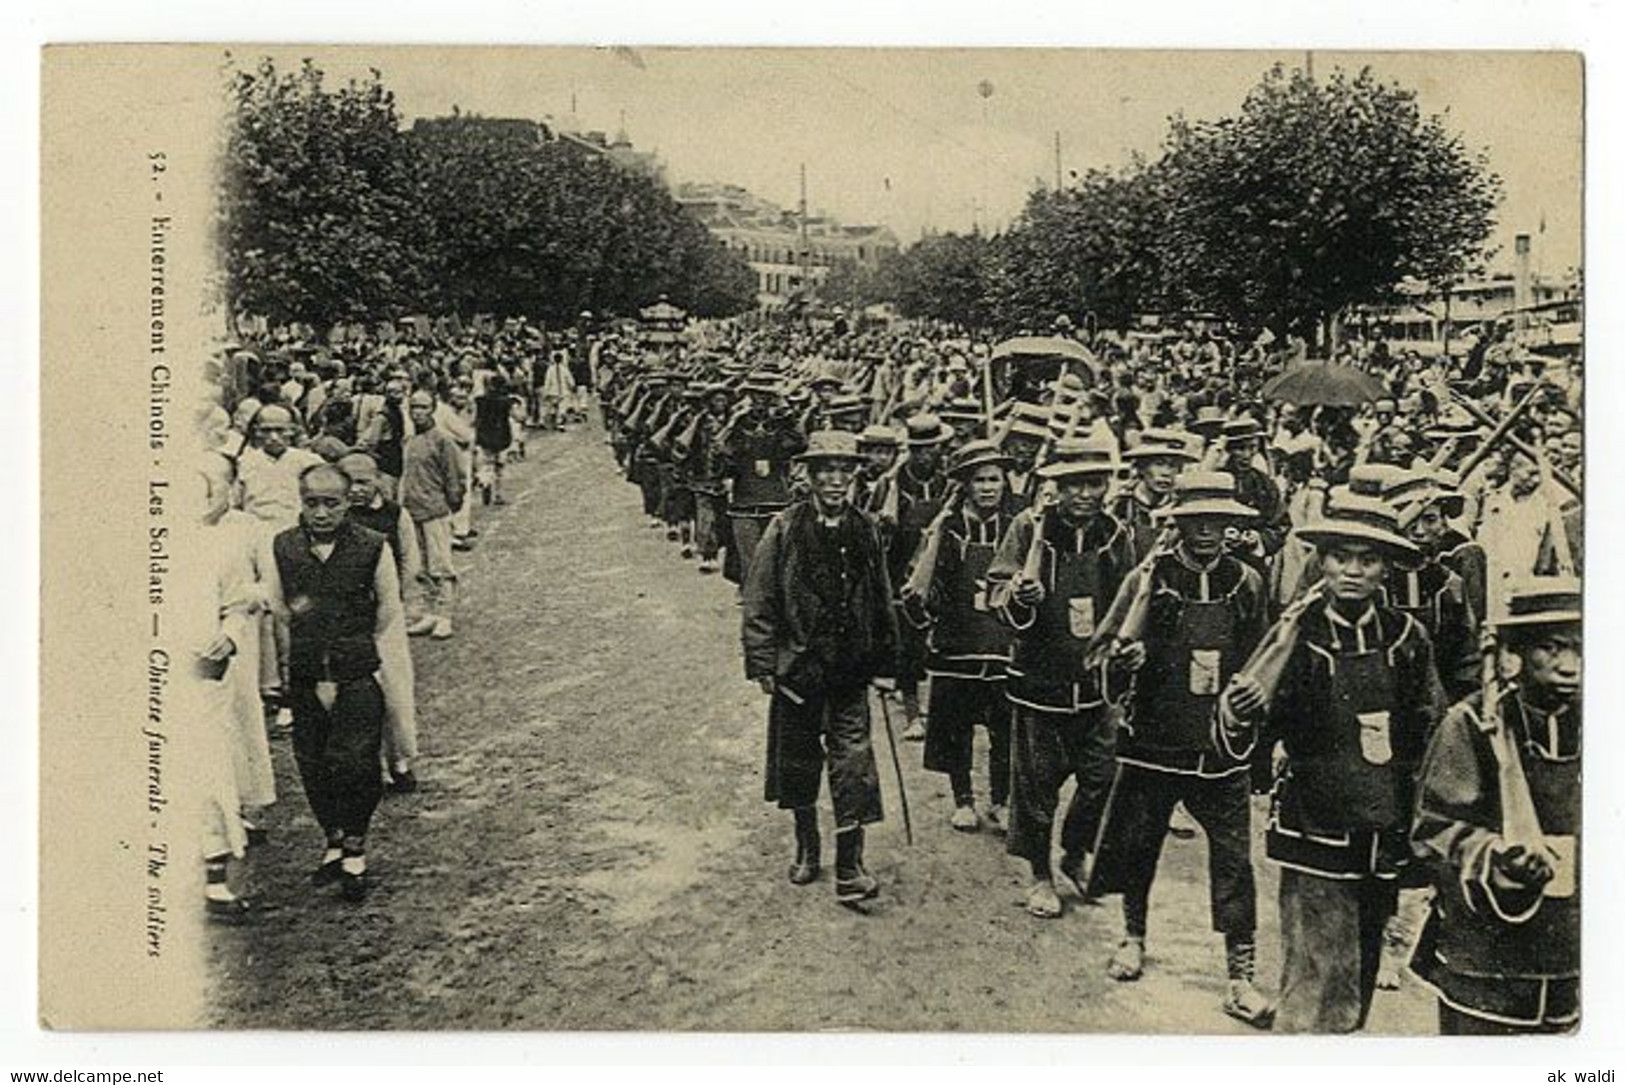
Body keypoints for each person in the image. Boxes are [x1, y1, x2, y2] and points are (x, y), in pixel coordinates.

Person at [1221, 491, 1446, 1033]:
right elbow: (1243, 726)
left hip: (1382, 824)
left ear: (1385, 568)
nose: (1353, 570)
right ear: (1321, 562)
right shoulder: (1297, 634)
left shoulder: (1406, 637)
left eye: (1367, 559)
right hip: (1315, 822)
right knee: (1317, 963)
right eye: (1341, 557)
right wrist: (1243, 712)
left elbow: (1431, 724)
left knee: (1361, 965)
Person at [1087, 472, 1273, 1026]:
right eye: (1197, 523)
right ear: (1178, 525)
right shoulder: (1150, 580)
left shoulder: (1247, 583)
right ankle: (1133, 935)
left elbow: (1262, 661)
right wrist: (1125, 665)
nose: (1208, 533)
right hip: (1155, 742)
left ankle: (1240, 975)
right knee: (1138, 844)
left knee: (1236, 863)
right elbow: (1103, 655)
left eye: (1219, 523)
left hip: (1221, 749)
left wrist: (1254, 731)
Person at [1409, 577, 1580, 1034]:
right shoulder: (1470, 725)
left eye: (1582, 649)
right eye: (1552, 647)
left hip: (1571, 952)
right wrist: (1494, 856)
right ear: (1514, 655)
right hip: (1487, 958)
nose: (1570, 666)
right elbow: (1434, 830)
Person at [742, 430, 900, 905]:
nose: (834, 480)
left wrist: (888, 661)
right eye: (825, 471)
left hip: (849, 670)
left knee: (854, 764)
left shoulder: (867, 528)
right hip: (799, 670)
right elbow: (760, 598)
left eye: (843, 471)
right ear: (809, 477)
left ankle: (850, 865)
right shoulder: (784, 528)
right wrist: (764, 661)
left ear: (855, 476)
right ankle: (808, 846)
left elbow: (881, 598)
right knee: (798, 761)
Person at [987, 436, 1136, 919]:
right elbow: (997, 593)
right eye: (1074, 485)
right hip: (1040, 681)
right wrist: (1017, 596)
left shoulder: (1116, 535)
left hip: (1096, 687)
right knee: (1036, 787)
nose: (1085, 495)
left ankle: (1076, 852)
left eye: (1094, 483)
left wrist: (1125, 652)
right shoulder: (1028, 529)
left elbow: (1130, 602)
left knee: (1103, 779)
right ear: (1056, 486)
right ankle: (1040, 875)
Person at [267, 463, 406, 902]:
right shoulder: (285, 546)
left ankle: (355, 848)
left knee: (357, 761)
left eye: (331, 503)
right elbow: (281, 606)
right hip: (307, 671)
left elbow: (387, 607)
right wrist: (309, 630)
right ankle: (332, 838)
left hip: (355, 670)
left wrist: (351, 640)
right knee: (312, 760)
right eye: (312, 503)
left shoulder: (370, 546)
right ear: (300, 502)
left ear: (348, 503)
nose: (322, 513)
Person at [899, 440, 1015, 833]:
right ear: (965, 484)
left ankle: (1001, 800)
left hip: (1005, 642)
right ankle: (963, 799)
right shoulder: (946, 527)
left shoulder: (1020, 525)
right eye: (979, 480)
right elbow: (923, 586)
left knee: (1005, 729)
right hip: (958, 639)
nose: (987, 488)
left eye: (994, 479)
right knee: (956, 726)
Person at [338, 451, 422, 792]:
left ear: (377, 480)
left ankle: (400, 759)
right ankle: (368, 768)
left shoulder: (394, 515)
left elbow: (409, 561)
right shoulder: (333, 517)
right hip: (346, 621)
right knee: (356, 696)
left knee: (394, 692)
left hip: (386, 616)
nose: (356, 490)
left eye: (363, 481)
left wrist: (400, 605)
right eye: (349, 482)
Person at [884, 413, 954, 741]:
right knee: (908, 640)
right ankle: (913, 712)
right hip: (901, 567)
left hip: (941, 568)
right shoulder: (892, 483)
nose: (924, 456)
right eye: (918, 450)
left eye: (931, 449)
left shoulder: (951, 483)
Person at [401, 389, 467, 640]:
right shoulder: (409, 441)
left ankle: (445, 616)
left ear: (433, 409)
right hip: (412, 511)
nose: (418, 412)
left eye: (423, 407)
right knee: (419, 567)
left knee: (441, 565)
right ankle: (429, 612)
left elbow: (455, 476)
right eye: (414, 407)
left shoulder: (442, 440)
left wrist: (453, 503)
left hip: (435, 511)